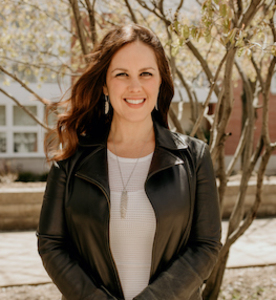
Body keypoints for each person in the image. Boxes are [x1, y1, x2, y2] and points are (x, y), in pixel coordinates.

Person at [37, 24, 221, 300]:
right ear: (105, 85)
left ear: (160, 81)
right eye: (121, 74)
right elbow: (51, 244)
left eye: (146, 74)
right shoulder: (71, 159)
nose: (135, 86)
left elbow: (205, 245)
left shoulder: (194, 157)